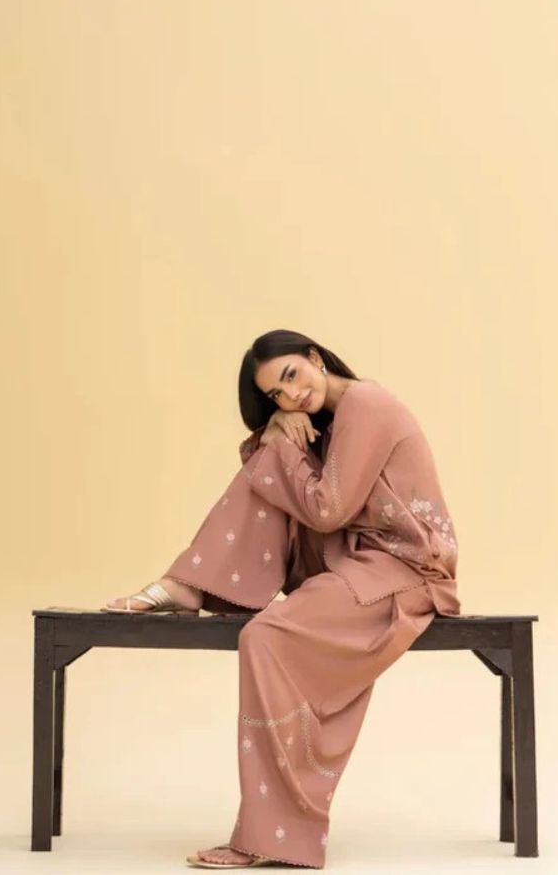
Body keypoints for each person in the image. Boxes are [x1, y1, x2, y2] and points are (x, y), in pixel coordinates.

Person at [103, 329, 461, 869]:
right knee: (271, 464)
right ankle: (189, 584)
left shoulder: (366, 402)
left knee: (265, 637)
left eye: (291, 376)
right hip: (352, 557)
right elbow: (286, 487)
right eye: (276, 395)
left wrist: (278, 442)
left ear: (315, 357)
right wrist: (275, 430)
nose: (291, 396)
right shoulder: (329, 418)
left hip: (407, 571)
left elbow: (326, 511)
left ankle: (273, 833)